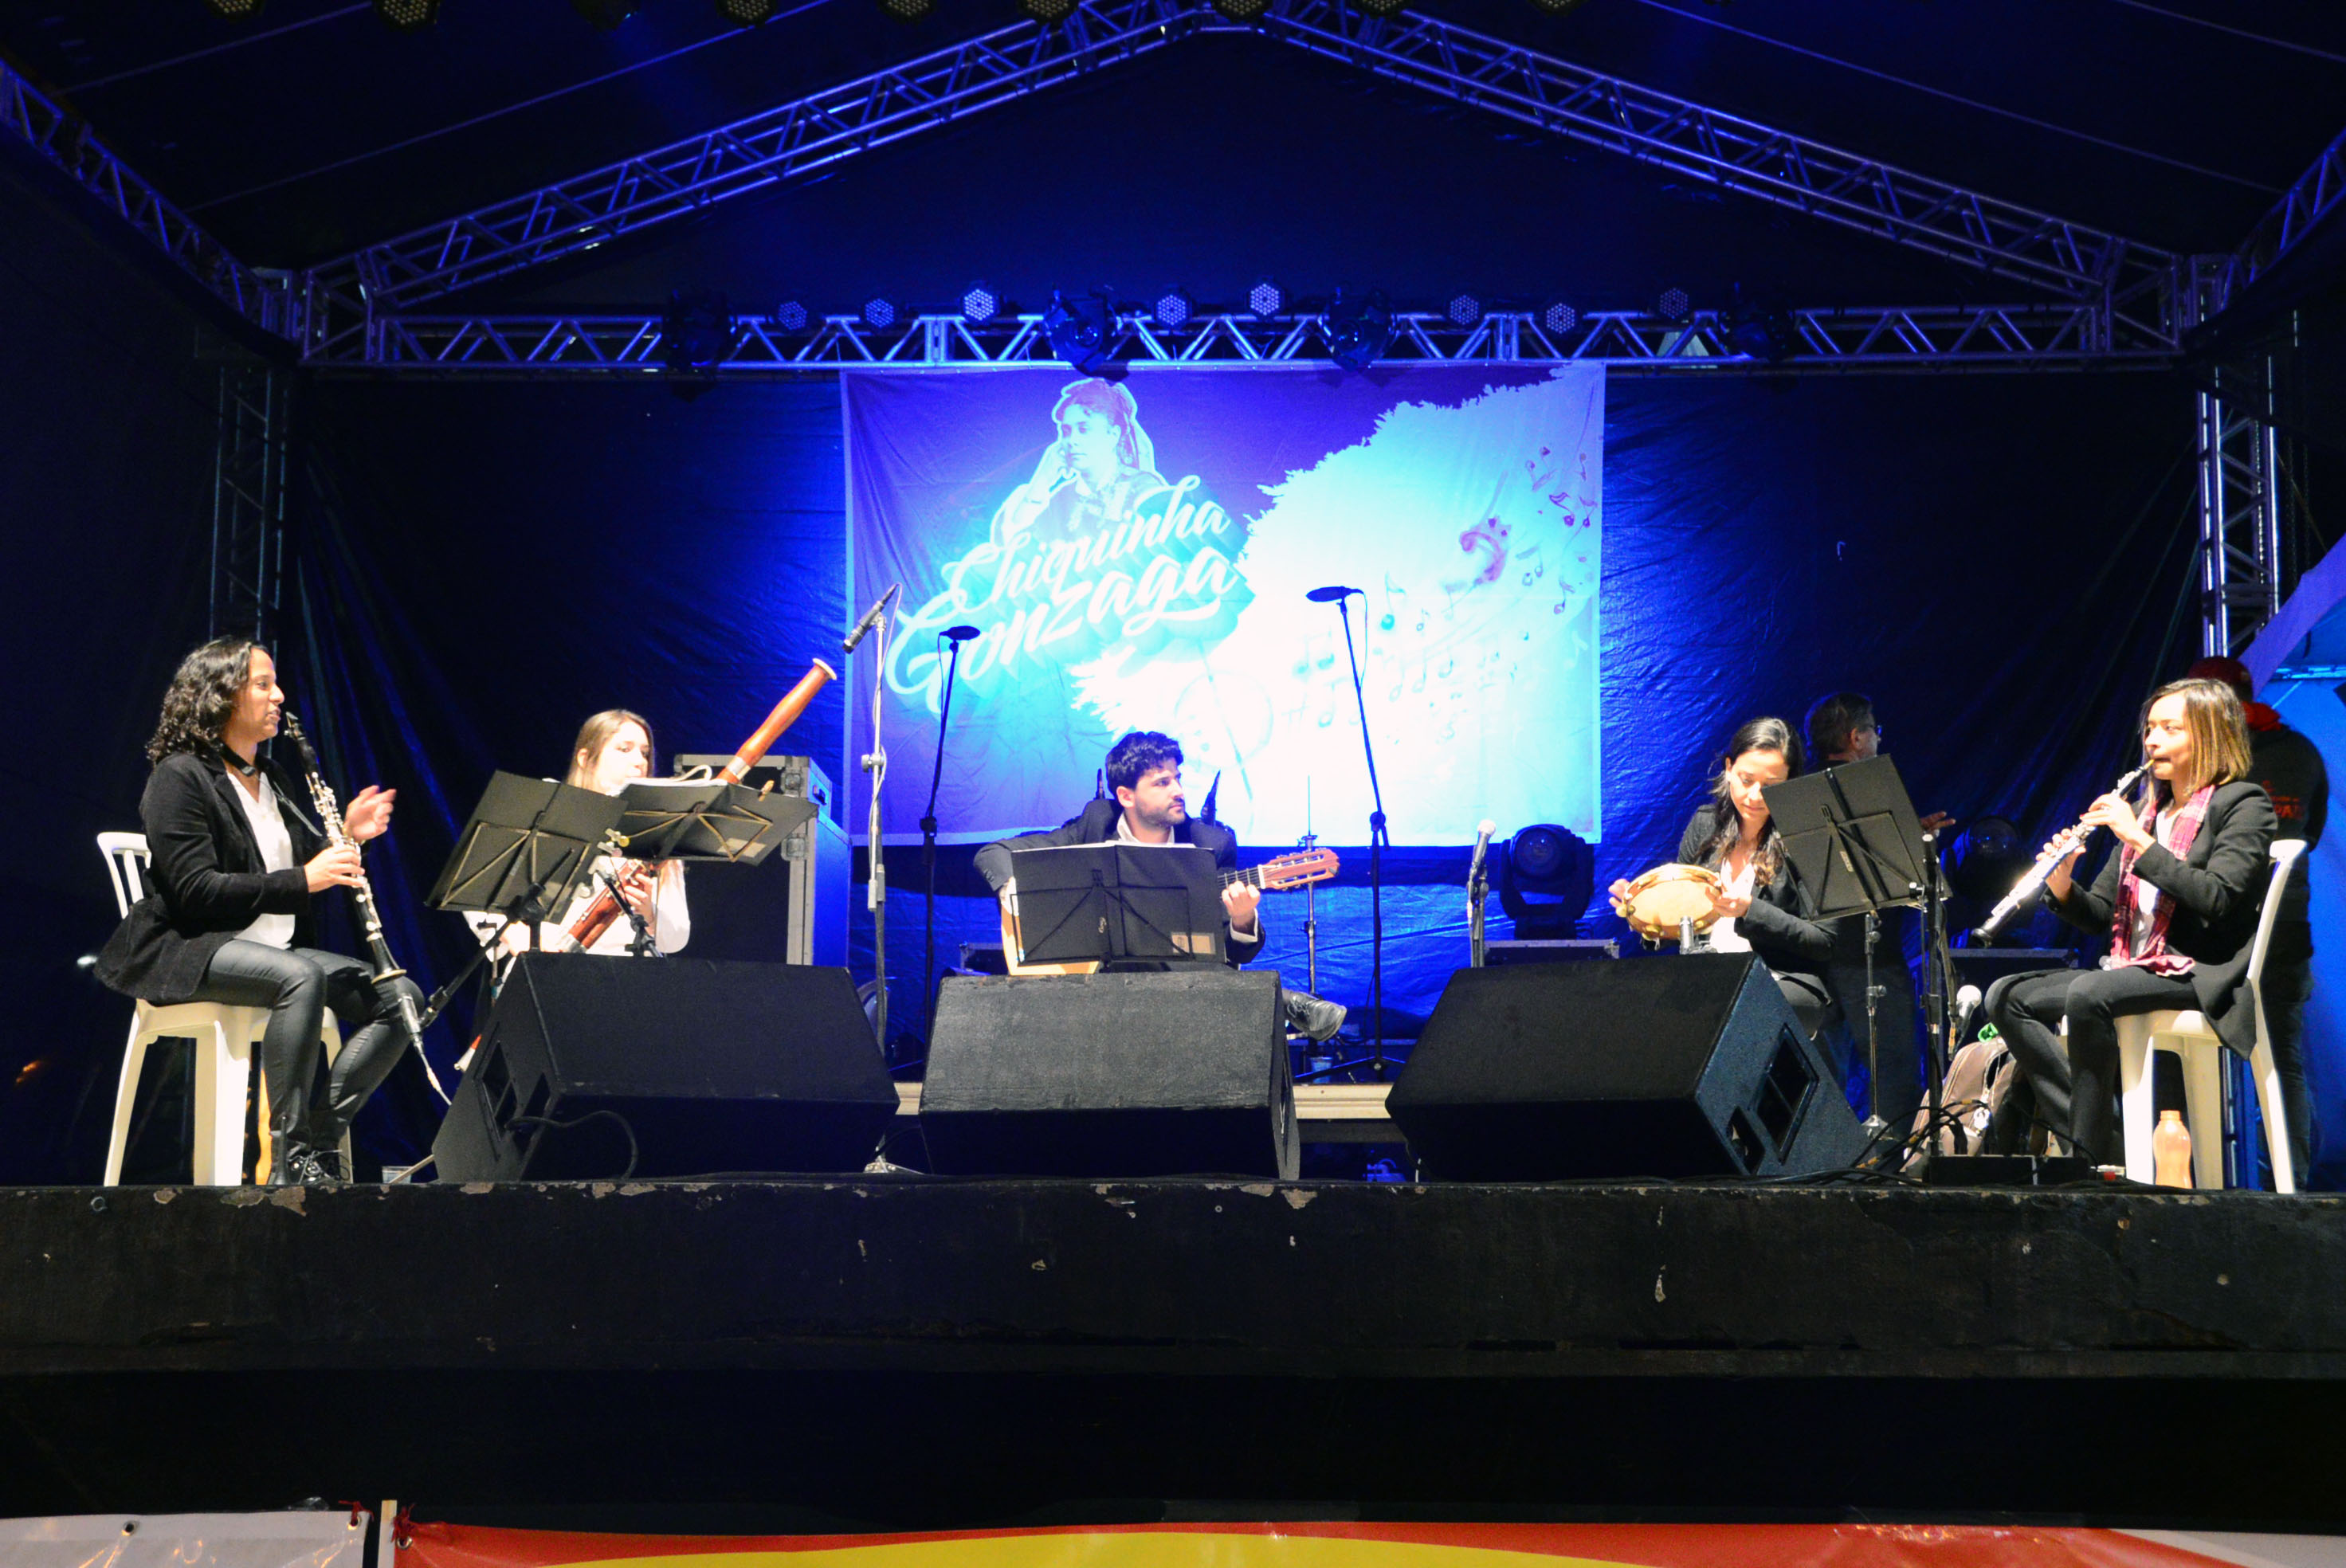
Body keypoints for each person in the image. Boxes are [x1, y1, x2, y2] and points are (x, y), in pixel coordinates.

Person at [95, 637, 420, 1186]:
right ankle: (287, 1160)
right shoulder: (180, 776)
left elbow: (290, 865)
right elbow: (195, 890)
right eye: (263, 685)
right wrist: (305, 879)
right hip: (190, 948)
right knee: (299, 978)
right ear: (222, 695)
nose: (280, 696)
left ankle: (318, 1144)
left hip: (271, 949)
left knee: (400, 998)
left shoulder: (273, 779)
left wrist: (347, 836)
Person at [1984, 679, 2277, 1164]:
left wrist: (2138, 840)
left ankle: (2087, 1157)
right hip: (2135, 967)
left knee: (2088, 992)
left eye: (2170, 729)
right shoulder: (2146, 811)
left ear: (2210, 735)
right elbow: (2099, 914)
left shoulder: (2243, 804)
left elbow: (2217, 898)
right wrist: (2061, 884)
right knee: (2006, 996)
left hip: (2198, 971)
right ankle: (2101, 1141)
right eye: (2149, 729)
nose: (2153, 741)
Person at [974, 730, 1344, 1040]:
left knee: (1157, 953)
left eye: (1178, 778)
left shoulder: (1209, 845)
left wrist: (1243, 919)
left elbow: (1232, 956)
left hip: (1171, 992)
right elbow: (993, 854)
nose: (1178, 790)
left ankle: (1280, 999)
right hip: (1090, 984)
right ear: (1126, 796)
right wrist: (1015, 893)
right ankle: (1283, 1000)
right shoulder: (1096, 824)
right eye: (1162, 783)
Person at [1611, 716, 1842, 1041]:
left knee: (1738, 1014)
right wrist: (1646, 911)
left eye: (1771, 786)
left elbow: (1824, 941)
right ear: (1729, 768)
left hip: (1782, 978)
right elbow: (1683, 920)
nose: (1755, 795)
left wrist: (1751, 911)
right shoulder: (1706, 825)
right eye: (1746, 780)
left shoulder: (1809, 837)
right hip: (1708, 973)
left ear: (1791, 781)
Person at [2187, 655, 2325, 1180]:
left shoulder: (2209, 760)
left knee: (2183, 1050)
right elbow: (2308, 837)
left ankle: (2191, 1182)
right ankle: (2291, 1186)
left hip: (2215, 930)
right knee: (2282, 1059)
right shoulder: (2301, 750)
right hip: (2286, 925)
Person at [1802, 690, 1936, 1125]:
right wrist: (1917, 845)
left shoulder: (1799, 796)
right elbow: (1897, 877)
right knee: (1894, 1075)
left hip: (1812, 957)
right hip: (1870, 954)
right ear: (1857, 738)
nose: (1878, 739)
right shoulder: (1873, 786)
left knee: (1821, 1078)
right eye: (1874, 731)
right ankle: (1895, 1157)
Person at [475, 710, 690, 958]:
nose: (640, 762)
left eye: (645, 753)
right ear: (586, 759)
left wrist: (650, 914)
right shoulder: (550, 811)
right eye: (624, 749)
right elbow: (477, 887)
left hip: (630, 974)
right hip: (545, 966)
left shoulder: (660, 835)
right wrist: (515, 933)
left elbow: (677, 939)